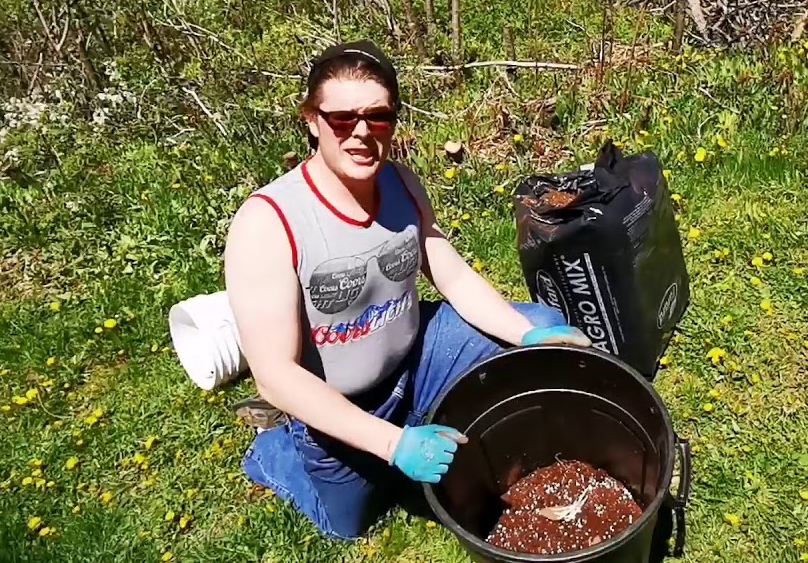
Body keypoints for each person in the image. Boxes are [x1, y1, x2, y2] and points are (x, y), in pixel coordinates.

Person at [223, 40, 590, 540]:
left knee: (543, 329)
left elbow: (452, 275)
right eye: (341, 118)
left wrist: (525, 335)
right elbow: (274, 376)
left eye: (377, 117)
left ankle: (441, 417)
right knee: (348, 526)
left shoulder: (400, 181)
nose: (360, 133)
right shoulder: (268, 223)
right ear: (312, 120)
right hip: (347, 403)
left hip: (419, 359)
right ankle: (278, 449)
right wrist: (392, 445)